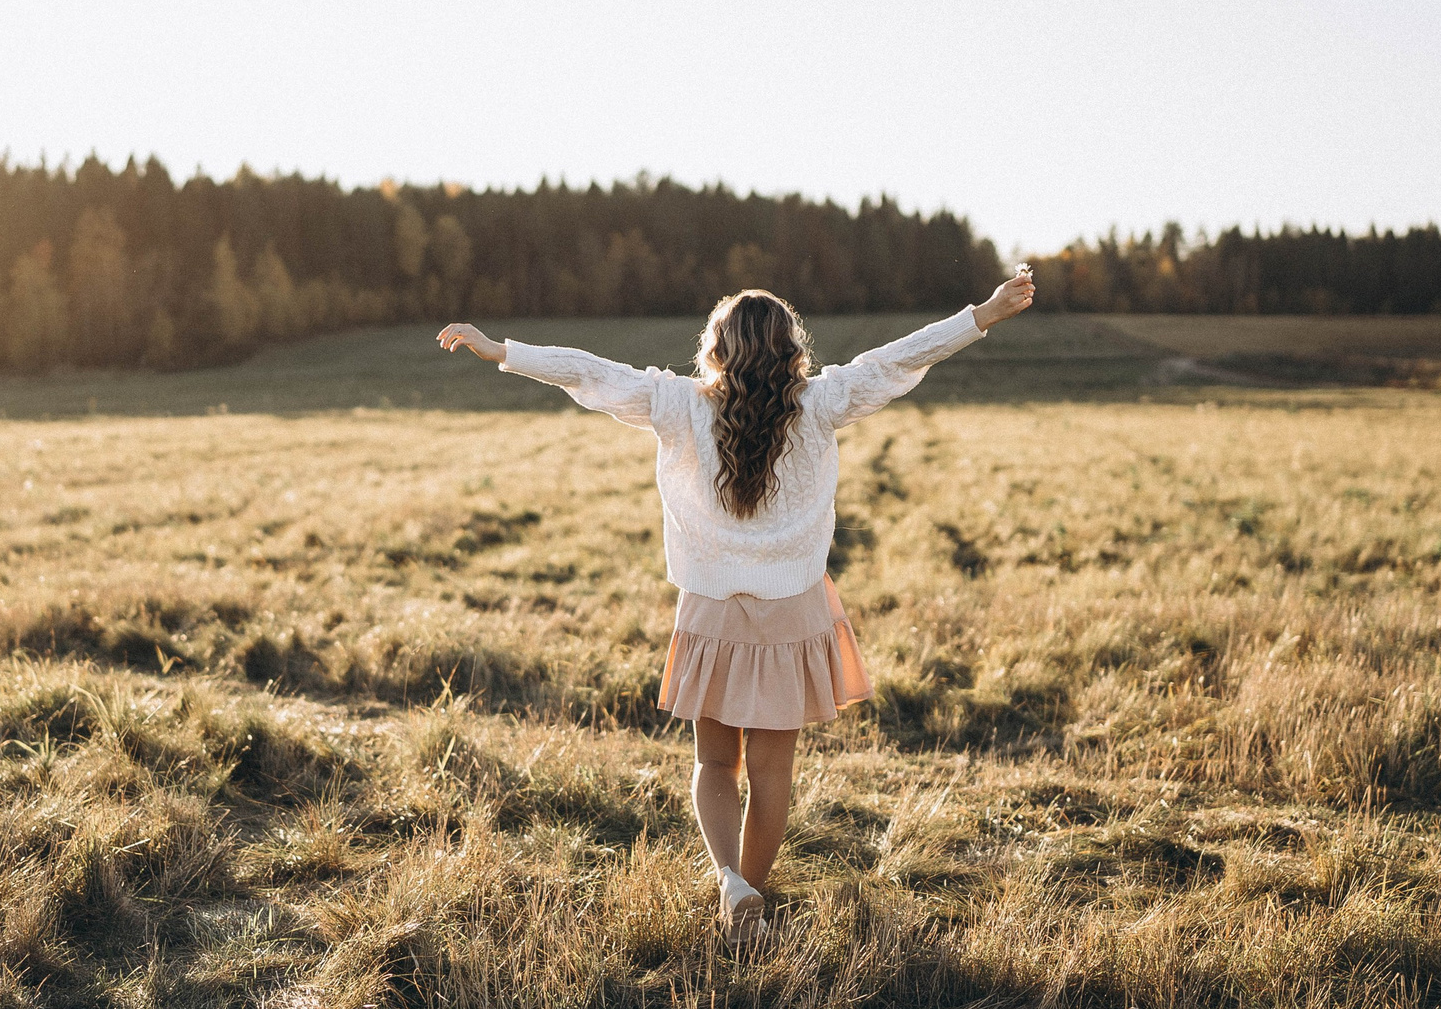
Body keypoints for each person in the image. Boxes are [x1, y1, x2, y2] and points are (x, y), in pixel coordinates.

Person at [437, 265, 1036, 940]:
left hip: (712, 610)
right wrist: (981, 314)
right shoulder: (822, 401)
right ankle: (749, 896)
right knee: (772, 771)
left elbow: (589, 372)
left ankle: (728, 880)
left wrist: (502, 350)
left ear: (715, 350)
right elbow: (898, 358)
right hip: (794, 609)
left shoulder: (679, 404)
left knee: (713, 762)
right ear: (791, 350)